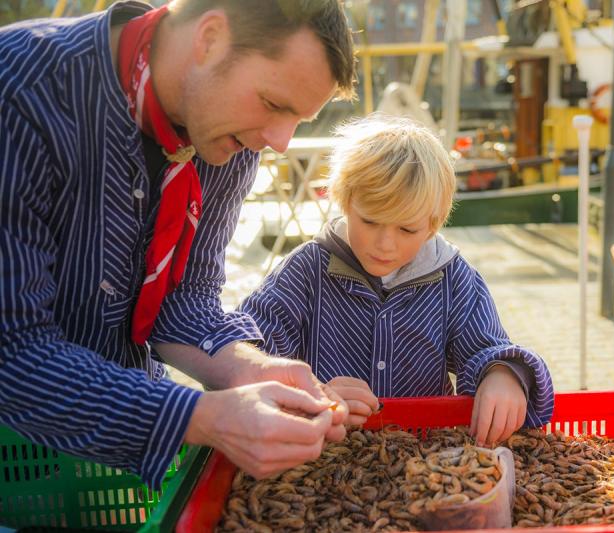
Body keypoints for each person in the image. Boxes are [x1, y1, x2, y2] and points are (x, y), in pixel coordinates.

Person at [0, 0, 356, 488]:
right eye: (275, 104)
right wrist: (202, 417)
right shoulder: (19, 90)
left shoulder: (229, 135)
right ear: (210, 39)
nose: (278, 141)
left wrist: (246, 367)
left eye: (299, 120)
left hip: (117, 466)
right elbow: (12, 349)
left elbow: (184, 296)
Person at [239, 115, 555, 445]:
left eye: (407, 229)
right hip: (324, 449)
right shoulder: (305, 270)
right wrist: (310, 392)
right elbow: (249, 348)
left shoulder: (453, 278)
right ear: (344, 201)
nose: (385, 244)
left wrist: (504, 373)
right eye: (370, 221)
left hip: (426, 456)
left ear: (432, 225)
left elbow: (486, 347)